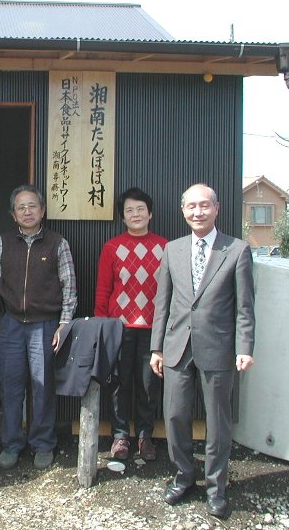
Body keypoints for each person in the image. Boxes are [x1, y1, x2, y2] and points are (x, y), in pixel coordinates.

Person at [150, 183, 255, 519]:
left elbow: (245, 306)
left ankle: (216, 487)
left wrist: (245, 347)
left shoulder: (236, 250)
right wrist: (156, 348)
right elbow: (162, 304)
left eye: (204, 206)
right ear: (183, 211)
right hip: (177, 347)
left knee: (218, 423)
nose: (198, 212)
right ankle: (183, 476)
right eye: (191, 206)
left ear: (217, 208)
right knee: (176, 416)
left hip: (220, 348)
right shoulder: (173, 250)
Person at [0, 184, 77, 470]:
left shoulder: (57, 243)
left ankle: (43, 443)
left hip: (45, 326)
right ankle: (12, 443)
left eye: (32, 206)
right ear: (13, 214)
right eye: (21, 207)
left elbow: (69, 288)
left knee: (43, 387)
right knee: (11, 388)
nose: (27, 211)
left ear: (43, 210)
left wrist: (64, 324)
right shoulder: (3, 242)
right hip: (11, 325)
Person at [94, 187, 167, 462]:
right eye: (129, 210)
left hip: (153, 329)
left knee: (149, 384)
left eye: (140, 209)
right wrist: (102, 326)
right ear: (122, 217)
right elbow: (103, 290)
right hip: (118, 328)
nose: (135, 214)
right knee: (118, 383)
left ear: (150, 213)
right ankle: (120, 435)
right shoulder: (112, 247)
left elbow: (170, 291)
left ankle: (146, 435)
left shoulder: (165, 247)